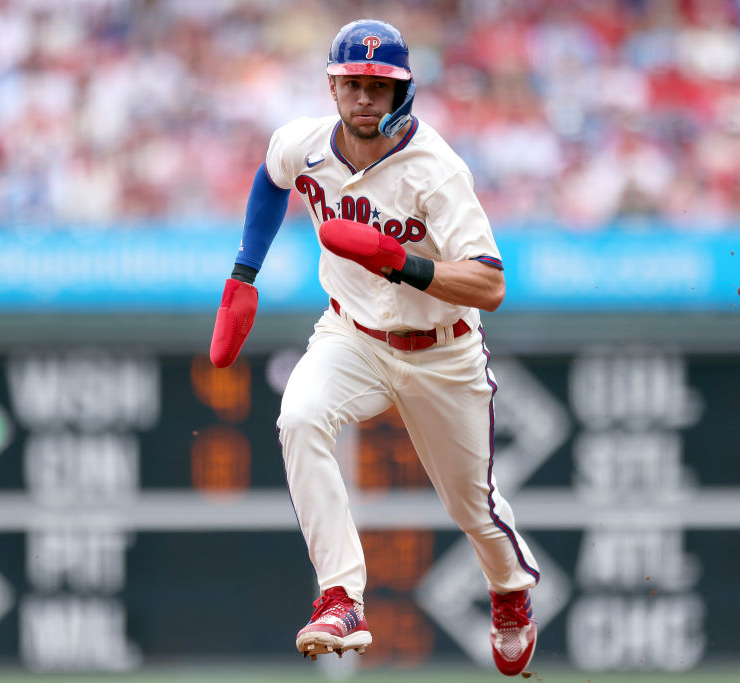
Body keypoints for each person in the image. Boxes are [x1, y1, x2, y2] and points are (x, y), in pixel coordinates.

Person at [209, 18, 540, 677]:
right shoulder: (303, 144)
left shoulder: (436, 171)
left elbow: (491, 284)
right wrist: (244, 272)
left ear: (402, 93)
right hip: (351, 335)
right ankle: (341, 594)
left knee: (470, 505)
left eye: (378, 86)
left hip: (441, 350)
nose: (365, 98)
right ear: (333, 88)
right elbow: (271, 178)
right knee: (299, 418)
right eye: (352, 84)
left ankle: (509, 589)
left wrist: (405, 264)